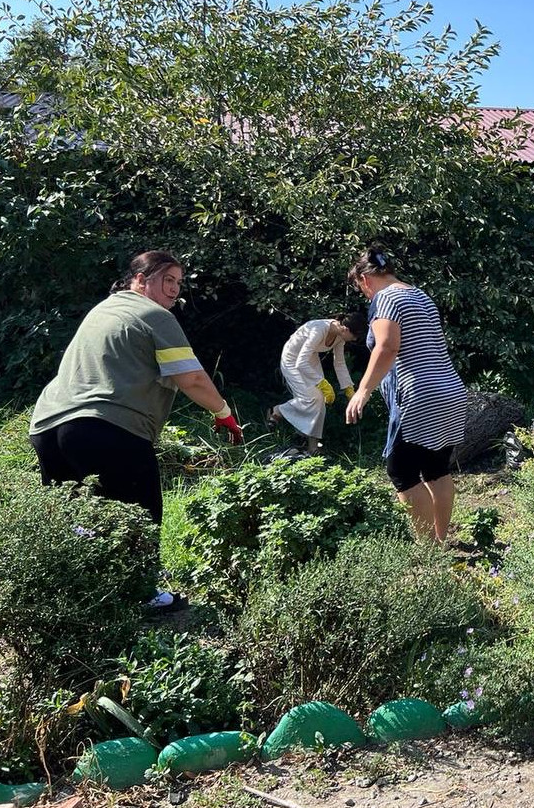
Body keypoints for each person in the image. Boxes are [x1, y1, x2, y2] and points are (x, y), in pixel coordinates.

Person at [29, 251, 243, 606]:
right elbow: (191, 378)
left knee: (79, 519)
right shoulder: (154, 315)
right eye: (167, 279)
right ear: (140, 280)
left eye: (179, 283)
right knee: (140, 514)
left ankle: (78, 598)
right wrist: (223, 412)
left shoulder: (103, 310)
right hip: (104, 426)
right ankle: (142, 595)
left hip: (47, 427)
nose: (174, 289)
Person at [345, 247, 468, 542]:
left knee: (401, 472)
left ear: (365, 280)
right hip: (449, 390)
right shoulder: (418, 294)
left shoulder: (385, 299)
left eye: (361, 289)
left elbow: (387, 346)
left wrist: (363, 390)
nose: (365, 296)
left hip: (419, 396)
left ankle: (428, 550)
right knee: (436, 469)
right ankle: (440, 542)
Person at [269, 313, 366, 455]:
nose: (355, 339)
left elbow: (339, 363)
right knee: (311, 397)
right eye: (355, 335)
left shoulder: (340, 336)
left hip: (309, 359)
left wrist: (348, 388)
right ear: (346, 329)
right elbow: (300, 362)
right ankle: (279, 410)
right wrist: (322, 383)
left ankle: (312, 447)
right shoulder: (319, 329)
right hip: (292, 359)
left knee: (320, 400)